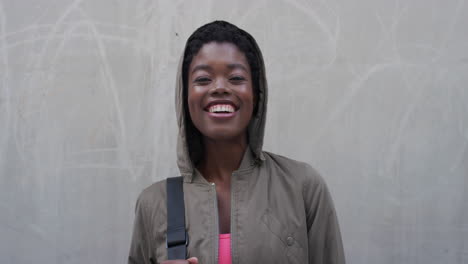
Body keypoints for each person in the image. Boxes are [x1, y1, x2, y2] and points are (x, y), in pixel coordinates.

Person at [128, 20, 345, 264]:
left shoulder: (302, 187)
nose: (220, 87)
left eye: (236, 77)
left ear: (257, 94)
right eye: (203, 79)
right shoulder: (154, 203)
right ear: (185, 97)